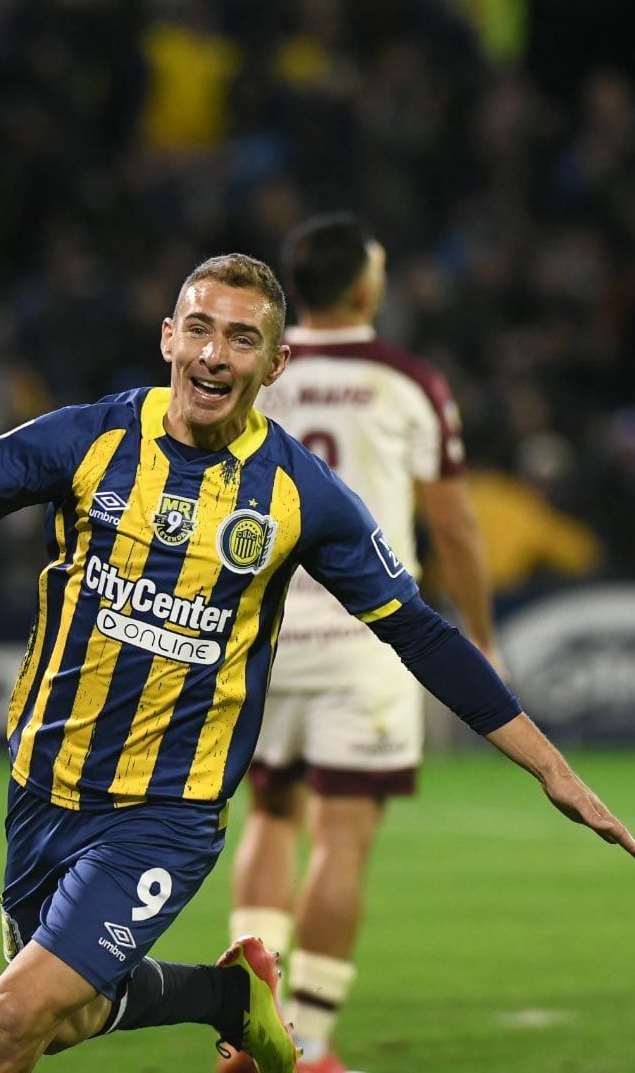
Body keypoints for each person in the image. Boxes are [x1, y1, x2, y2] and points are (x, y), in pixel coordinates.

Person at [0, 254, 635, 1073]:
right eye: (198, 327)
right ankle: (226, 998)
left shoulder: (302, 496)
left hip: (166, 808)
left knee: (10, 1020)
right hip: (41, 786)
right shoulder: (85, 442)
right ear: (167, 336)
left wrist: (550, 768)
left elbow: (419, 631)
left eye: (241, 338)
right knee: (69, 1019)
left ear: (272, 366)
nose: (213, 352)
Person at [220, 215, 503, 1073]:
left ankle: (247, 1032)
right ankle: (306, 1043)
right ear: (368, 289)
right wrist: (479, 640)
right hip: (365, 638)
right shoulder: (408, 381)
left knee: (268, 819)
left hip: (259, 633)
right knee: (344, 834)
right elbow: (452, 523)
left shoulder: (256, 370)